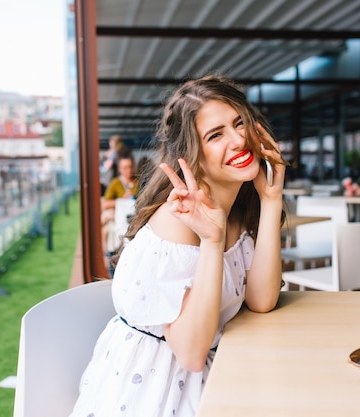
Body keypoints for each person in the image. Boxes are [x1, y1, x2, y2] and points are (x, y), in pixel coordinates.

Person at [69, 75, 286, 417]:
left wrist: (271, 200)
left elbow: (261, 301)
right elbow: (190, 354)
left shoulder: (237, 210)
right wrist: (211, 242)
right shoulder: (178, 225)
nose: (239, 139)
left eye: (240, 123)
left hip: (210, 376)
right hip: (156, 391)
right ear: (193, 156)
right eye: (216, 135)